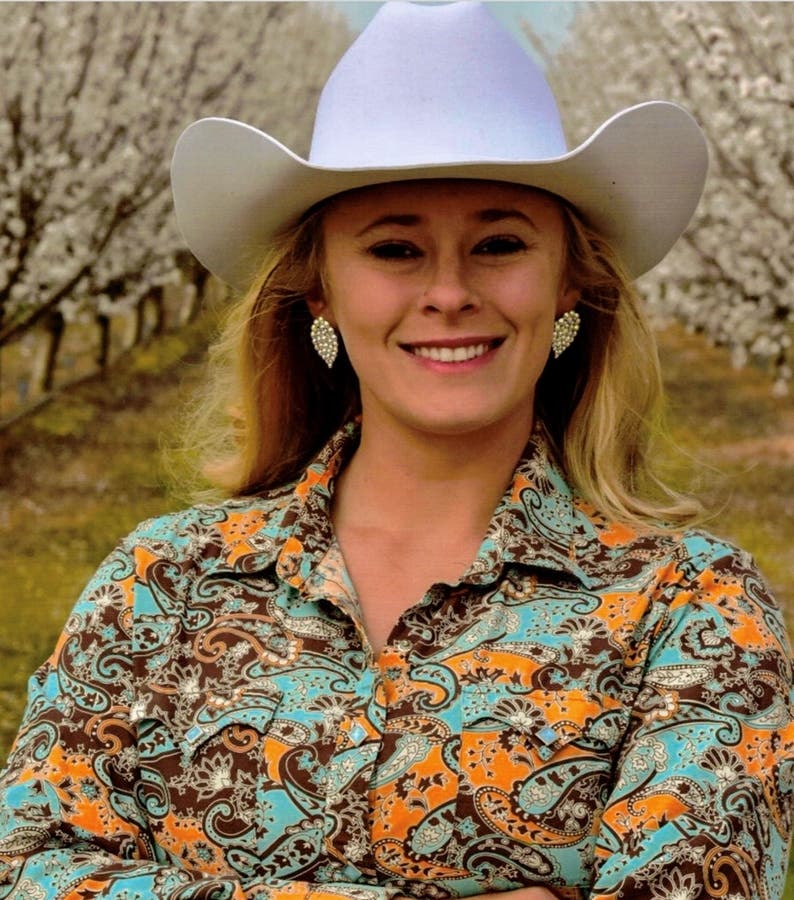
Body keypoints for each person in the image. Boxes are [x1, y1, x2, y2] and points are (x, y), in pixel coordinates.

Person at [0, 3, 791, 899]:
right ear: (320, 291)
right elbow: (28, 867)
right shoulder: (163, 586)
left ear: (570, 278)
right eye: (394, 248)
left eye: (499, 244)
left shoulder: (691, 609)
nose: (449, 292)